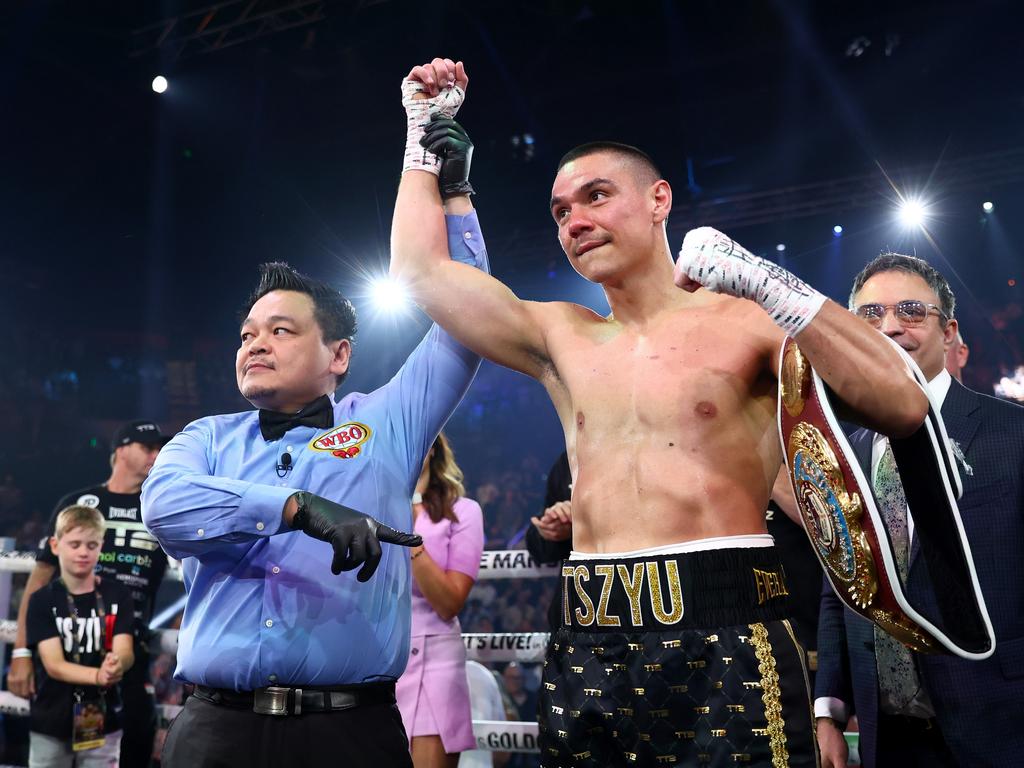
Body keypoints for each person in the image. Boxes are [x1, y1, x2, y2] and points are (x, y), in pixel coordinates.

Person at [391, 57, 928, 766]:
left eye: (596, 196)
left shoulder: (746, 319)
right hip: (589, 634)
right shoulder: (561, 335)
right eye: (560, 212)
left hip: (728, 629)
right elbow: (423, 275)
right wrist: (421, 140)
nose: (575, 220)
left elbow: (903, 401)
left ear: (659, 200)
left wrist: (775, 288)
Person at [141, 198, 489, 767]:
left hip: (348, 734)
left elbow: (470, 322)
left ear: (339, 354)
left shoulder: (386, 423)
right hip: (214, 731)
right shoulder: (205, 438)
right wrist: (295, 507)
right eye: (247, 333)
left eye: (280, 330)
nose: (255, 344)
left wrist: (455, 202)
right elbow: (162, 505)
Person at [814, 253, 1024, 768]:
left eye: (911, 311)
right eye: (869, 315)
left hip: (1002, 724)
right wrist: (829, 713)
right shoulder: (846, 451)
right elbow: (838, 587)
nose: (888, 327)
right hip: (889, 733)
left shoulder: (1014, 433)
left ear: (949, 331)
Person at [10, 420, 170, 768]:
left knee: (128, 752)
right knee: (52, 751)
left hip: (127, 655)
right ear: (120, 451)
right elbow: (38, 583)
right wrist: (21, 652)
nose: (156, 455)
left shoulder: (162, 510)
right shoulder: (80, 504)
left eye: (160, 449)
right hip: (65, 649)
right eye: (147, 447)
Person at [397, 432, 485, 768]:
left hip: (433, 662)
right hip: (378, 661)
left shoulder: (463, 512)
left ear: (432, 448)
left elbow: (449, 602)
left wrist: (409, 539)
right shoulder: (370, 507)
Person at [26, 504, 135, 767]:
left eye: (91, 545)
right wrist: (99, 675)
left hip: (103, 717)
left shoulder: (117, 595)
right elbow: (54, 665)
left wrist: (116, 665)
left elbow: (125, 650)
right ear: (55, 545)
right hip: (50, 718)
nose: (83, 552)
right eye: (74, 544)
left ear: (101, 546)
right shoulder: (41, 600)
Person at [526, 452, 572, 631]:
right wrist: (550, 529)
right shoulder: (569, 460)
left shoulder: (655, 448)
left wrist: (582, 521)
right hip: (574, 616)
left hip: (641, 609)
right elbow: (539, 548)